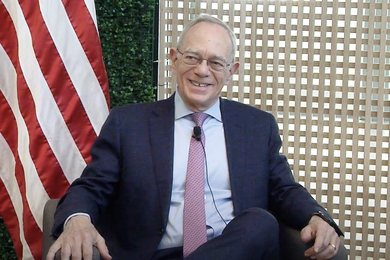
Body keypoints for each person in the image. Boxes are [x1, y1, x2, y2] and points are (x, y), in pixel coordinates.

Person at [47, 14, 343, 260]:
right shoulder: (129, 123)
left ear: (231, 71)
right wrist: (78, 220)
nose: (202, 71)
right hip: (153, 254)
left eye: (216, 63)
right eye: (192, 57)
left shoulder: (257, 126)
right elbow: (92, 186)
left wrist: (317, 216)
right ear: (174, 59)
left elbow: (284, 189)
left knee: (260, 223)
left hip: (233, 253)